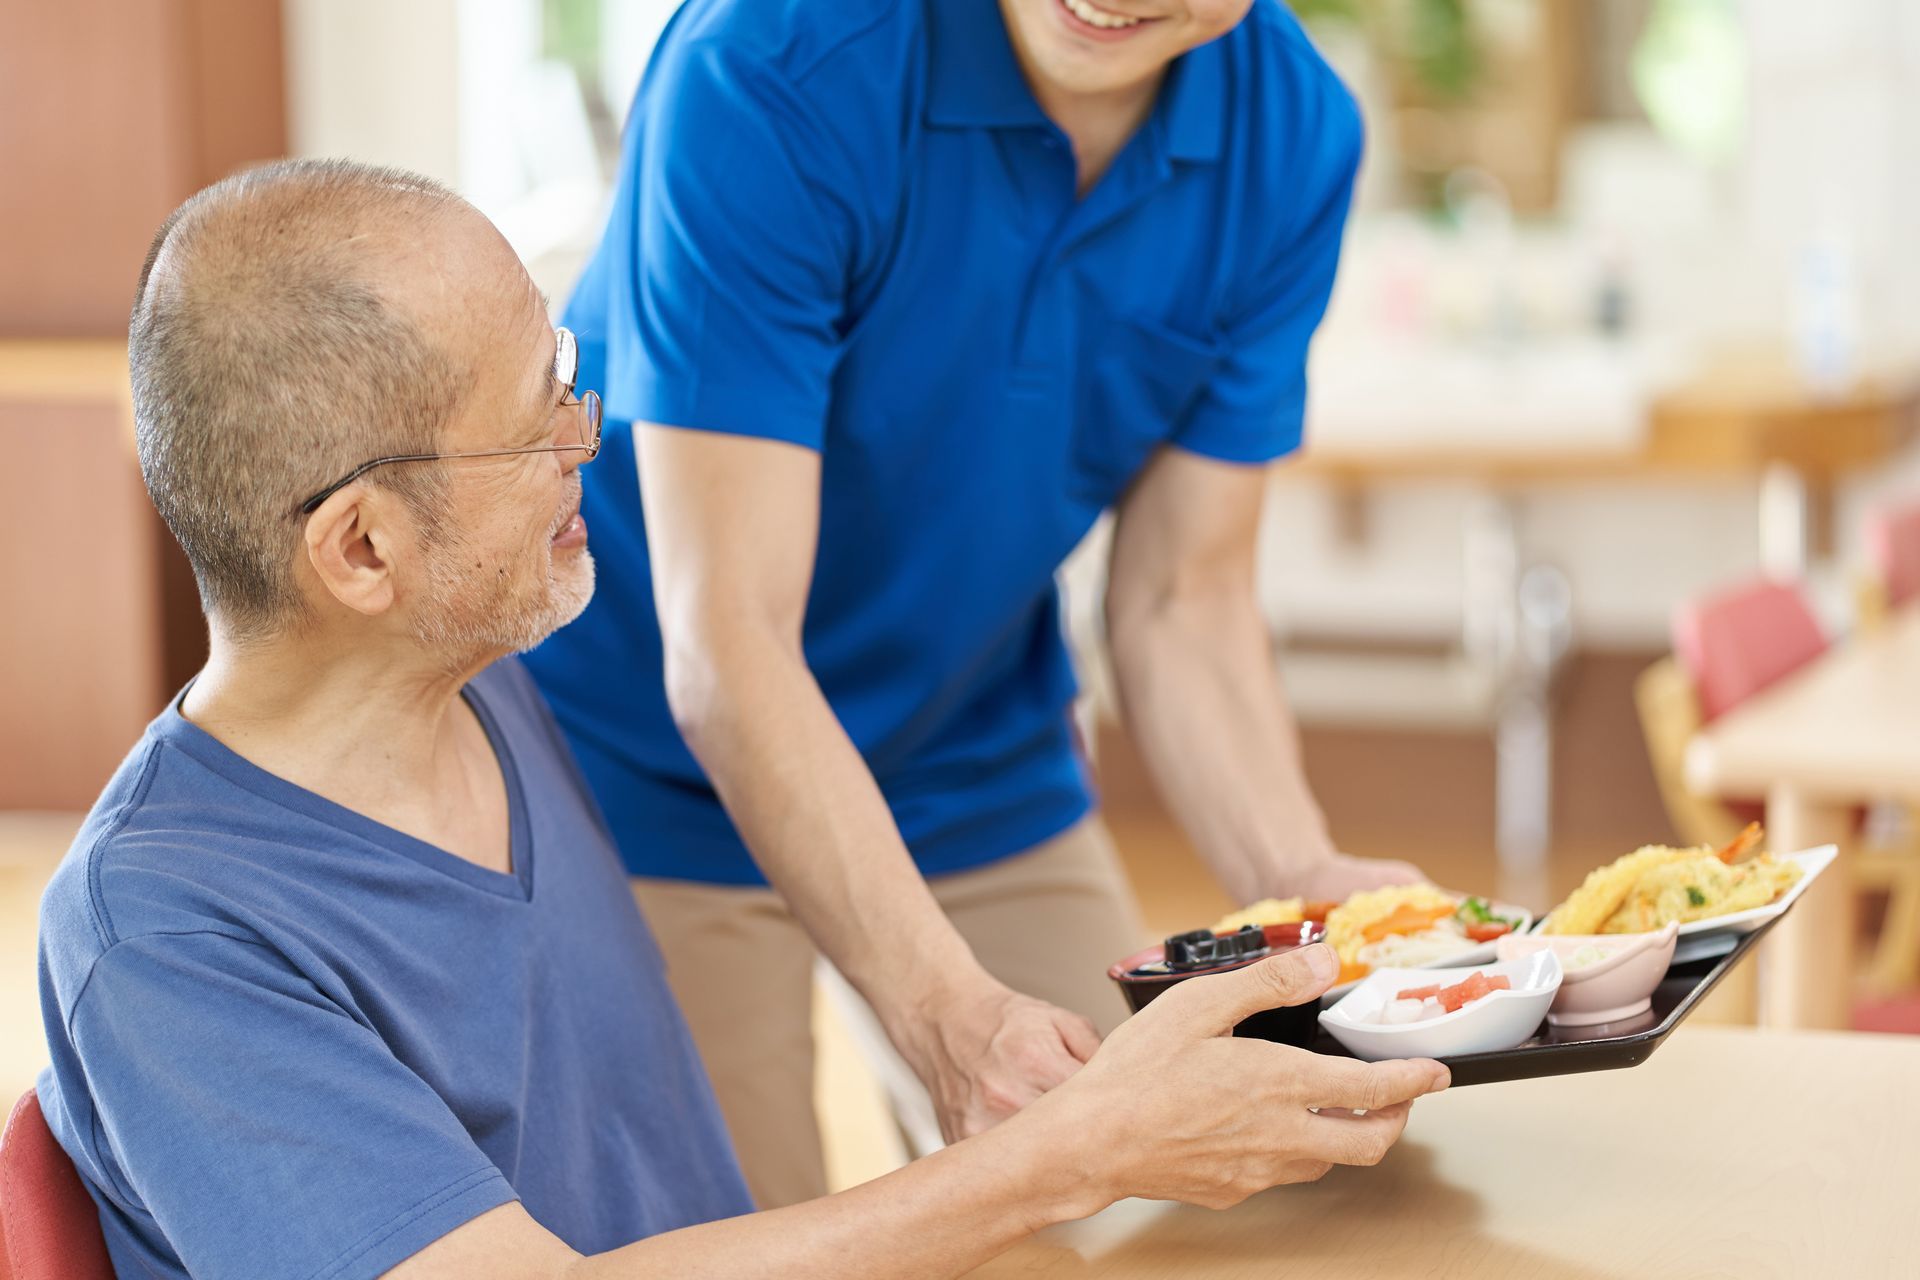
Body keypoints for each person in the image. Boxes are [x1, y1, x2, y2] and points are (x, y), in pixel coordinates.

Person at [36, 159, 1446, 1280]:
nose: (592, 435)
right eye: (542, 418)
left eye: (569, 369)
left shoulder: (490, 684)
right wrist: (1077, 1153)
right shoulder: (165, 936)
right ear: (362, 549)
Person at [522, 0, 1427, 1208]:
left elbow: (1182, 597)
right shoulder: (771, 63)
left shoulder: (1291, 132)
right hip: (645, 759)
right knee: (750, 1242)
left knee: (1141, 1201)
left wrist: (1304, 881)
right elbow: (728, 641)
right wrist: (946, 1013)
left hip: (967, 738)